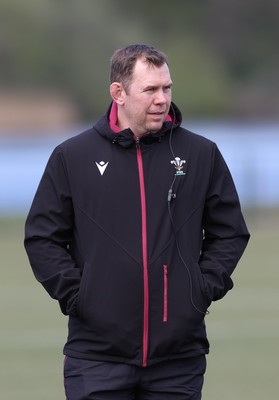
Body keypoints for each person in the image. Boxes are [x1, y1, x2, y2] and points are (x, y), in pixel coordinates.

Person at [24, 44, 250, 399]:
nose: (162, 99)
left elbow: (230, 232)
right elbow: (42, 238)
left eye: (167, 88)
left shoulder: (201, 154)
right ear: (119, 93)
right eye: (150, 90)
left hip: (178, 358)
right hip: (96, 356)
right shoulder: (73, 156)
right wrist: (79, 296)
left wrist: (201, 289)